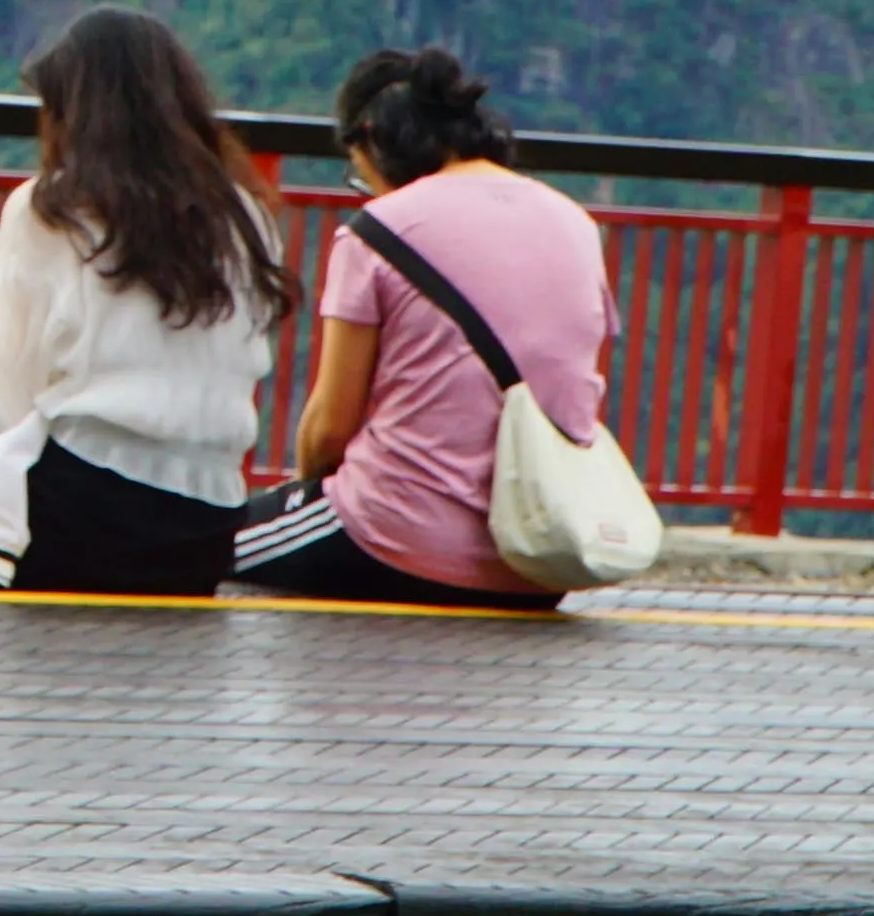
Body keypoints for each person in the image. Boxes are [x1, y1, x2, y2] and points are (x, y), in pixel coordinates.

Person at [0, 8, 291, 595]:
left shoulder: (54, 209)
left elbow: (8, 390)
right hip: (207, 526)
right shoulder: (245, 216)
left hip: (79, 516)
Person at [230, 44, 604, 612]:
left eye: (362, 175)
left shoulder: (380, 230)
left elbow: (330, 428)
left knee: (199, 547)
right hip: (539, 555)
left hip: (396, 541)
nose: (369, 192)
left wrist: (306, 492)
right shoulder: (574, 222)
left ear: (374, 138)